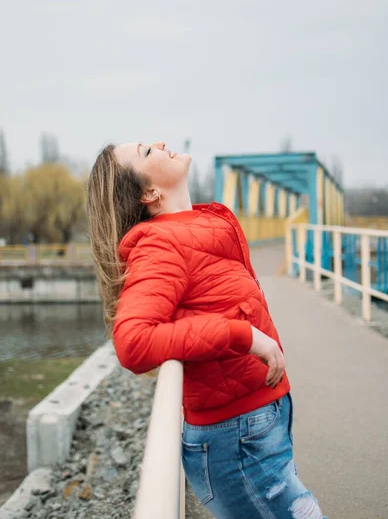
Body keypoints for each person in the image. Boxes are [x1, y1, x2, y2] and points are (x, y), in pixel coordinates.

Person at [87, 140, 326, 519]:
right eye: (148, 152)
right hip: (237, 435)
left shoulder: (203, 223)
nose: (161, 144)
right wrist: (240, 335)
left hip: (262, 415)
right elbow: (133, 343)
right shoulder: (160, 245)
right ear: (149, 192)